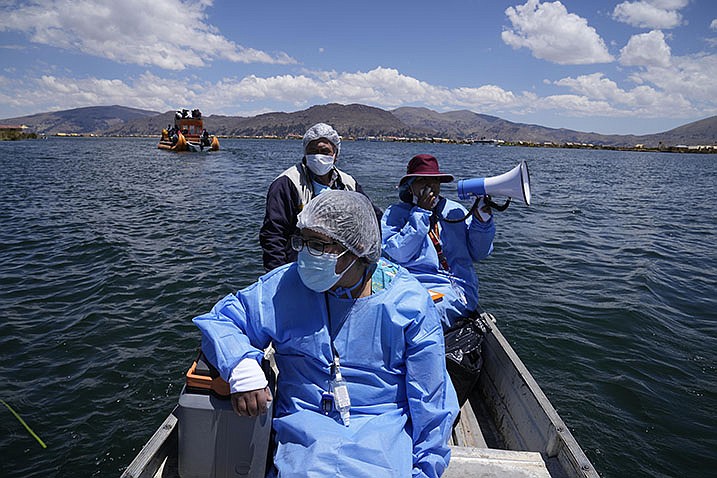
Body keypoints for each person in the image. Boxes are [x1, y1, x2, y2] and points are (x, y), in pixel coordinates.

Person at [194, 190, 459, 477]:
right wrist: (241, 365)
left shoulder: (409, 303)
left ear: (356, 246)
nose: (304, 253)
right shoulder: (284, 286)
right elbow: (222, 320)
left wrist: (425, 468)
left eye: (318, 245)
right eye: (302, 241)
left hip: (382, 429)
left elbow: (430, 397)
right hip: (305, 431)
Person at [381, 154, 495, 405]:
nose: (429, 188)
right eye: (422, 182)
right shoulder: (396, 214)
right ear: (409, 186)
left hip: (456, 290)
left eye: (435, 182)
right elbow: (396, 253)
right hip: (412, 285)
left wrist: (483, 221)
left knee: (425, 312)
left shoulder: (454, 211)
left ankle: (424, 385)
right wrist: (420, 214)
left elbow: (479, 252)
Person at [260, 122, 382, 272]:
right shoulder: (287, 183)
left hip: (338, 264)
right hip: (299, 264)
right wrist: (277, 274)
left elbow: (371, 219)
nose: (318, 156)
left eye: (325, 151)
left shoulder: (348, 183)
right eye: (312, 151)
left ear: (335, 155)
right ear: (305, 152)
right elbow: (273, 234)